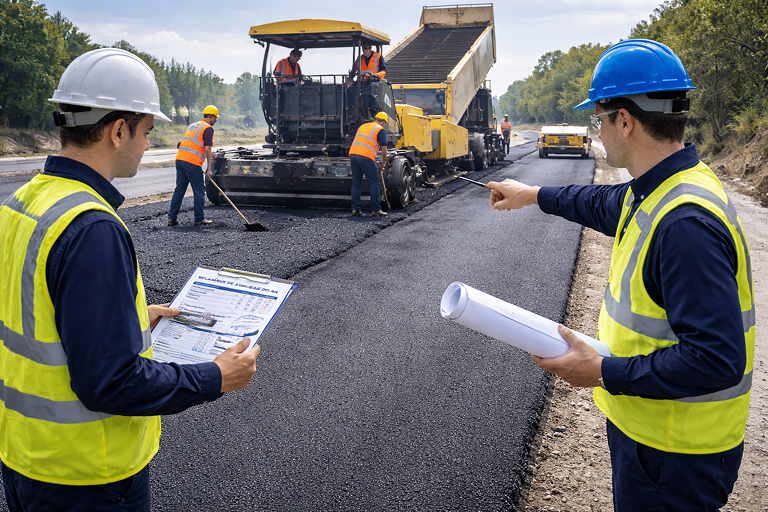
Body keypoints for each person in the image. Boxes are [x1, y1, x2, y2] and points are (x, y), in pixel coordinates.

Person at [486, 39, 753, 511]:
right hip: (656, 437)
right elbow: (598, 203)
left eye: (600, 119)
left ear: (625, 121)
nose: (599, 131)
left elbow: (716, 360)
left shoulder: (684, 225)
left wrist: (602, 371)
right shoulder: (665, 187)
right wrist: (531, 194)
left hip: (674, 455)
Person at [0, 48, 260, 511]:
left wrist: (130, 318)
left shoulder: (24, 202)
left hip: (24, 459)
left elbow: (33, 308)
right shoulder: (92, 228)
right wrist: (213, 377)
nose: (146, 144)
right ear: (118, 130)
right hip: (87, 477)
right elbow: (110, 382)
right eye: (146, 132)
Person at [168, 105, 218, 226]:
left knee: (179, 190)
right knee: (199, 190)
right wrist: (209, 169)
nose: (216, 120)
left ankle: (172, 218)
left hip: (180, 160)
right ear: (211, 117)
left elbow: (184, 143)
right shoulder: (208, 128)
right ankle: (199, 218)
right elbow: (207, 147)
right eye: (215, 118)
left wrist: (211, 154)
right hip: (192, 162)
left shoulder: (193, 125)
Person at [349, 111, 389, 217]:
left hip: (353, 155)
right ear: (383, 122)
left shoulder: (363, 126)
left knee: (356, 183)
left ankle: (355, 209)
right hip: (365, 157)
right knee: (374, 183)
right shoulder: (380, 129)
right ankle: (376, 209)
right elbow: (384, 149)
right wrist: (384, 162)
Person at [348, 42, 387, 116]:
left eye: (366, 49)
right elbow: (353, 71)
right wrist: (349, 79)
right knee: (350, 89)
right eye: (363, 49)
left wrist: (374, 75)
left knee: (370, 90)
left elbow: (383, 71)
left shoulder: (378, 57)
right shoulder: (360, 59)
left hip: (373, 81)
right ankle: (350, 108)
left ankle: (374, 109)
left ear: (370, 49)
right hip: (361, 82)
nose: (364, 51)